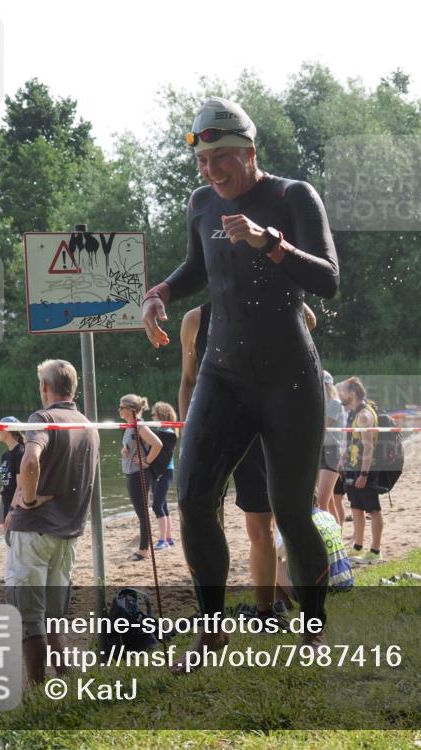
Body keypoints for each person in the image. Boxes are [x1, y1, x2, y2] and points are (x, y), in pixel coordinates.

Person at [142, 97, 338, 657]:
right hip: (223, 373)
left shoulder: (292, 196)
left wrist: (269, 242)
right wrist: (161, 293)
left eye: (221, 159)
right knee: (193, 497)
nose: (211, 172)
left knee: (293, 511)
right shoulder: (201, 204)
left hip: (289, 377)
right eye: (202, 163)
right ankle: (212, 625)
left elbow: (328, 280)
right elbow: (197, 268)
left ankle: (314, 623)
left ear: (249, 152)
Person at [177, 300, 316, 626]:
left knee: (260, 527)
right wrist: (189, 435)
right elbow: (188, 380)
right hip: (211, 427)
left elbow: (308, 320)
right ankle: (210, 614)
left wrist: (276, 286)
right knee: (200, 519)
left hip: (256, 429)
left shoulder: (268, 306)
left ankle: (265, 611)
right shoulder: (195, 320)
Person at [4, 359, 100, 684]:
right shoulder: (88, 425)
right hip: (68, 533)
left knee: (30, 615)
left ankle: (37, 689)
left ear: (45, 387)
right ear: (73, 388)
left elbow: (30, 461)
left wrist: (28, 499)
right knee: (56, 616)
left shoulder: (42, 418)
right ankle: (64, 678)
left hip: (35, 530)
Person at [338, 377, 383, 564]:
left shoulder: (364, 415)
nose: (341, 395)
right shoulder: (354, 414)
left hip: (366, 468)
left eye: (343, 392)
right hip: (353, 468)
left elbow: (368, 447)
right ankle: (358, 547)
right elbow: (354, 442)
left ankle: (376, 551)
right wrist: (344, 459)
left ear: (352, 394)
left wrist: (364, 474)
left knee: (373, 510)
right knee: (356, 508)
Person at [274, 506, 354, 602]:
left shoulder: (296, 522)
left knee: (270, 558)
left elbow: (276, 551)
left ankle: (281, 603)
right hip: (345, 582)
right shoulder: (328, 515)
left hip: (321, 590)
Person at [118, 394, 164, 562]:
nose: (119, 410)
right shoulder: (129, 426)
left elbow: (158, 444)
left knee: (142, 513)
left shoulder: (139, 426)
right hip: (131, 473)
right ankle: (144, 548)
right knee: (140, 513)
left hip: (139, 475)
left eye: (121, 407)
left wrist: (147, 461)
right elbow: (134, 445)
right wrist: (125, 451)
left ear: (131, 410)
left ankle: (144, 550)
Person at [317, 371, 346, 527]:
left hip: (331, 452)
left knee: (322, 501)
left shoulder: (334, 403)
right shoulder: (321, 402)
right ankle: (337, 535)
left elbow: (323, 425)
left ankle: (333, 535)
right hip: (320, 451)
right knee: (328, 502)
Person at [149, 401, 179, 550]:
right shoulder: (162, 431)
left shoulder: (167, 433)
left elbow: (157, 447)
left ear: (161, 416)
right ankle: (168, 538)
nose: (152, 417)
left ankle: (162, 541)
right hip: (161, 471)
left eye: (153, 415)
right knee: (163, 504)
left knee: (157, 505)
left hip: (164, 472)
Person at [0, 416, 24, 532]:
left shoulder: (21, 452)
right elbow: (4, 486)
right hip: (7, 504)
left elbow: (21, 486)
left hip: (17, 507)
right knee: (9, 543)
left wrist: (11, 511)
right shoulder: (5, 456)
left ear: (7, 430)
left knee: (15, 543)